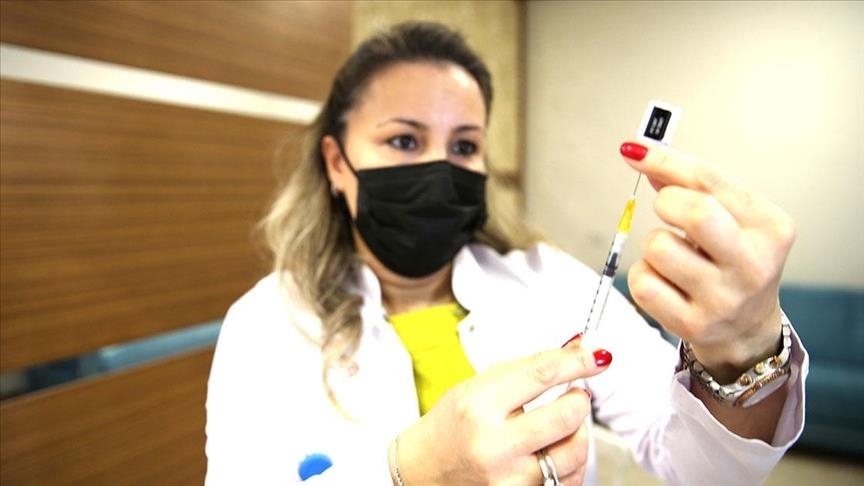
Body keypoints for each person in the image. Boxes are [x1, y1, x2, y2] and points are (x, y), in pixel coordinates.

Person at [205, 22, 807, 486]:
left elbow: (707, 469)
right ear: (337, 163)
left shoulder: (551, 284)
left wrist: (744, 354)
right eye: (404, 139)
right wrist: (409, 472)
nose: (438, 167)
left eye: (464, 145)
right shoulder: (266, 322)